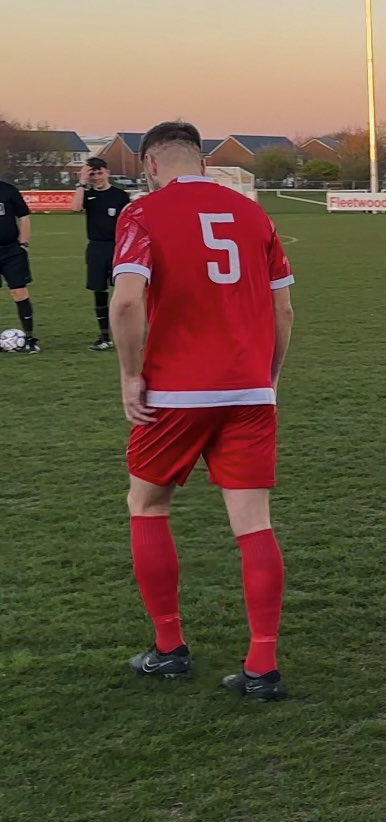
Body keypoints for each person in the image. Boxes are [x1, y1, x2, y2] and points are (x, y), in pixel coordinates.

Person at [110, 121, 295, 700]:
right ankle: (262, 665)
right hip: (248, 391)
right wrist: (268, 377)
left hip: (175, 393)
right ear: (204, 164)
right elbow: (284, 311)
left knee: (147, 504)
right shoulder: (254, 215)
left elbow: (126, 302)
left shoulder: (142, 214)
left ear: (150, 165)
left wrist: (131, 376)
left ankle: (169, 648)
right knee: (254, 523)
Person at [73, 157, 130, 350]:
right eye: (93, 174)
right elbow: (75, 207)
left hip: (118, 248)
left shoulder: (120, 196)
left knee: (123, 293)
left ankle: (127, 334)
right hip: (96, 249)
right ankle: (104, 337)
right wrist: (82, 182)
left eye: (100, 173)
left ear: (107, 173)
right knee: (99, 292)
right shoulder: (87, 195)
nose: (96, 177)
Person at [0, 179, 39, 352]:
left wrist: (23, 244)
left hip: (11, 251)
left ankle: (29, 338)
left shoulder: (8, 190)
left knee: (19, 292)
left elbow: (23, 215)